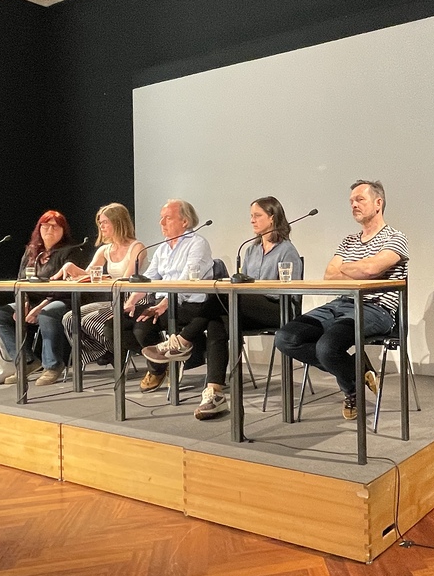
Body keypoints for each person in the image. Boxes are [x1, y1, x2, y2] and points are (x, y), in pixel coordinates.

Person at [274, 180, 407, 420]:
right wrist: (359, 269)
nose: (354, 205)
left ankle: (351, 389)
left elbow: (371, 269)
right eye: (351, 201)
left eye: (360, 199)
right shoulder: (348, 241)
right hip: (340, 304)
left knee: (327, 347)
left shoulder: (395, 238)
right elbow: (330, 274)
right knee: (285, 338)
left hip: (376, 309)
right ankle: (357, 370)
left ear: (378, 203)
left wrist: (348, 267)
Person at [169, 196, 303, 420]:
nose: (252, 220)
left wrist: (252, 291)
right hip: (249, 308)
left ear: (272, 218)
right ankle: (214, 393)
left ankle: (183, 340)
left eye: (257, 216)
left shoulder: (286, 250)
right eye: (251, 216)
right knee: (218, 320)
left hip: (277, 309)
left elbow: (292, 291)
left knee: (220, 299)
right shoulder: (250, 250)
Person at [107, 199, 215, 393]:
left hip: (189, 304)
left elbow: (185, 282)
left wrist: (165, 304)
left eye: (168, 218)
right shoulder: (163, 247)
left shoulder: (197, 244)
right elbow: (148, 279)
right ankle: (162, 363)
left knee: (142, 327)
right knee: (113, 325)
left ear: (185, 221)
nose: (161, 223)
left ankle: (160, 367)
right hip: (163, 302)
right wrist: (131, 301)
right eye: (161, 218)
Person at [0, 210, 86, 386]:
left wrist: (39, 308)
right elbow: (21, 280)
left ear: (63, 230)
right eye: (45, 226)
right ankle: (27, 362)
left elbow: (66, 287)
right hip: (32, 301)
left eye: (55, 227)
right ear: (39, 228)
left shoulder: (71, 251)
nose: (49, 230)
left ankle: (53, 366)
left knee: (47, 313)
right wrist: (24, 303)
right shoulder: (32, 251)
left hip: (62, 300)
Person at [55, 203, 146, 367]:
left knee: (89, 321)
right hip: (115, 300)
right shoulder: (105, 250)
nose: (101, 226)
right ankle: (106, 351)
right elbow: (89, 275)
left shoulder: (137, 247)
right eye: (100, 223)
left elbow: (126, 280)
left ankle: (116, 352)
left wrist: (103, 278)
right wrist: (71, 267)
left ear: (118, 222)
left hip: (135, 300)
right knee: (69, 319)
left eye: (105, 222)